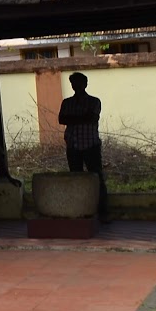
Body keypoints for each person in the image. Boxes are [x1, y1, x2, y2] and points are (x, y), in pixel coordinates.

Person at [58, 72, 109, 222]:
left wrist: (72, 119)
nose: (76, 86)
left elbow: (91, 118)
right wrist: (82, 118)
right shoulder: (67, 102)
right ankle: (79, 211)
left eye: (79, 83)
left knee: (97, 178)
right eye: (74, 83)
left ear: (85, 84)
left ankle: (103, 213)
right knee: (76, 179)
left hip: (90, 145)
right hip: (73, 146)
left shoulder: (94, 101)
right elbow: (62, 119)